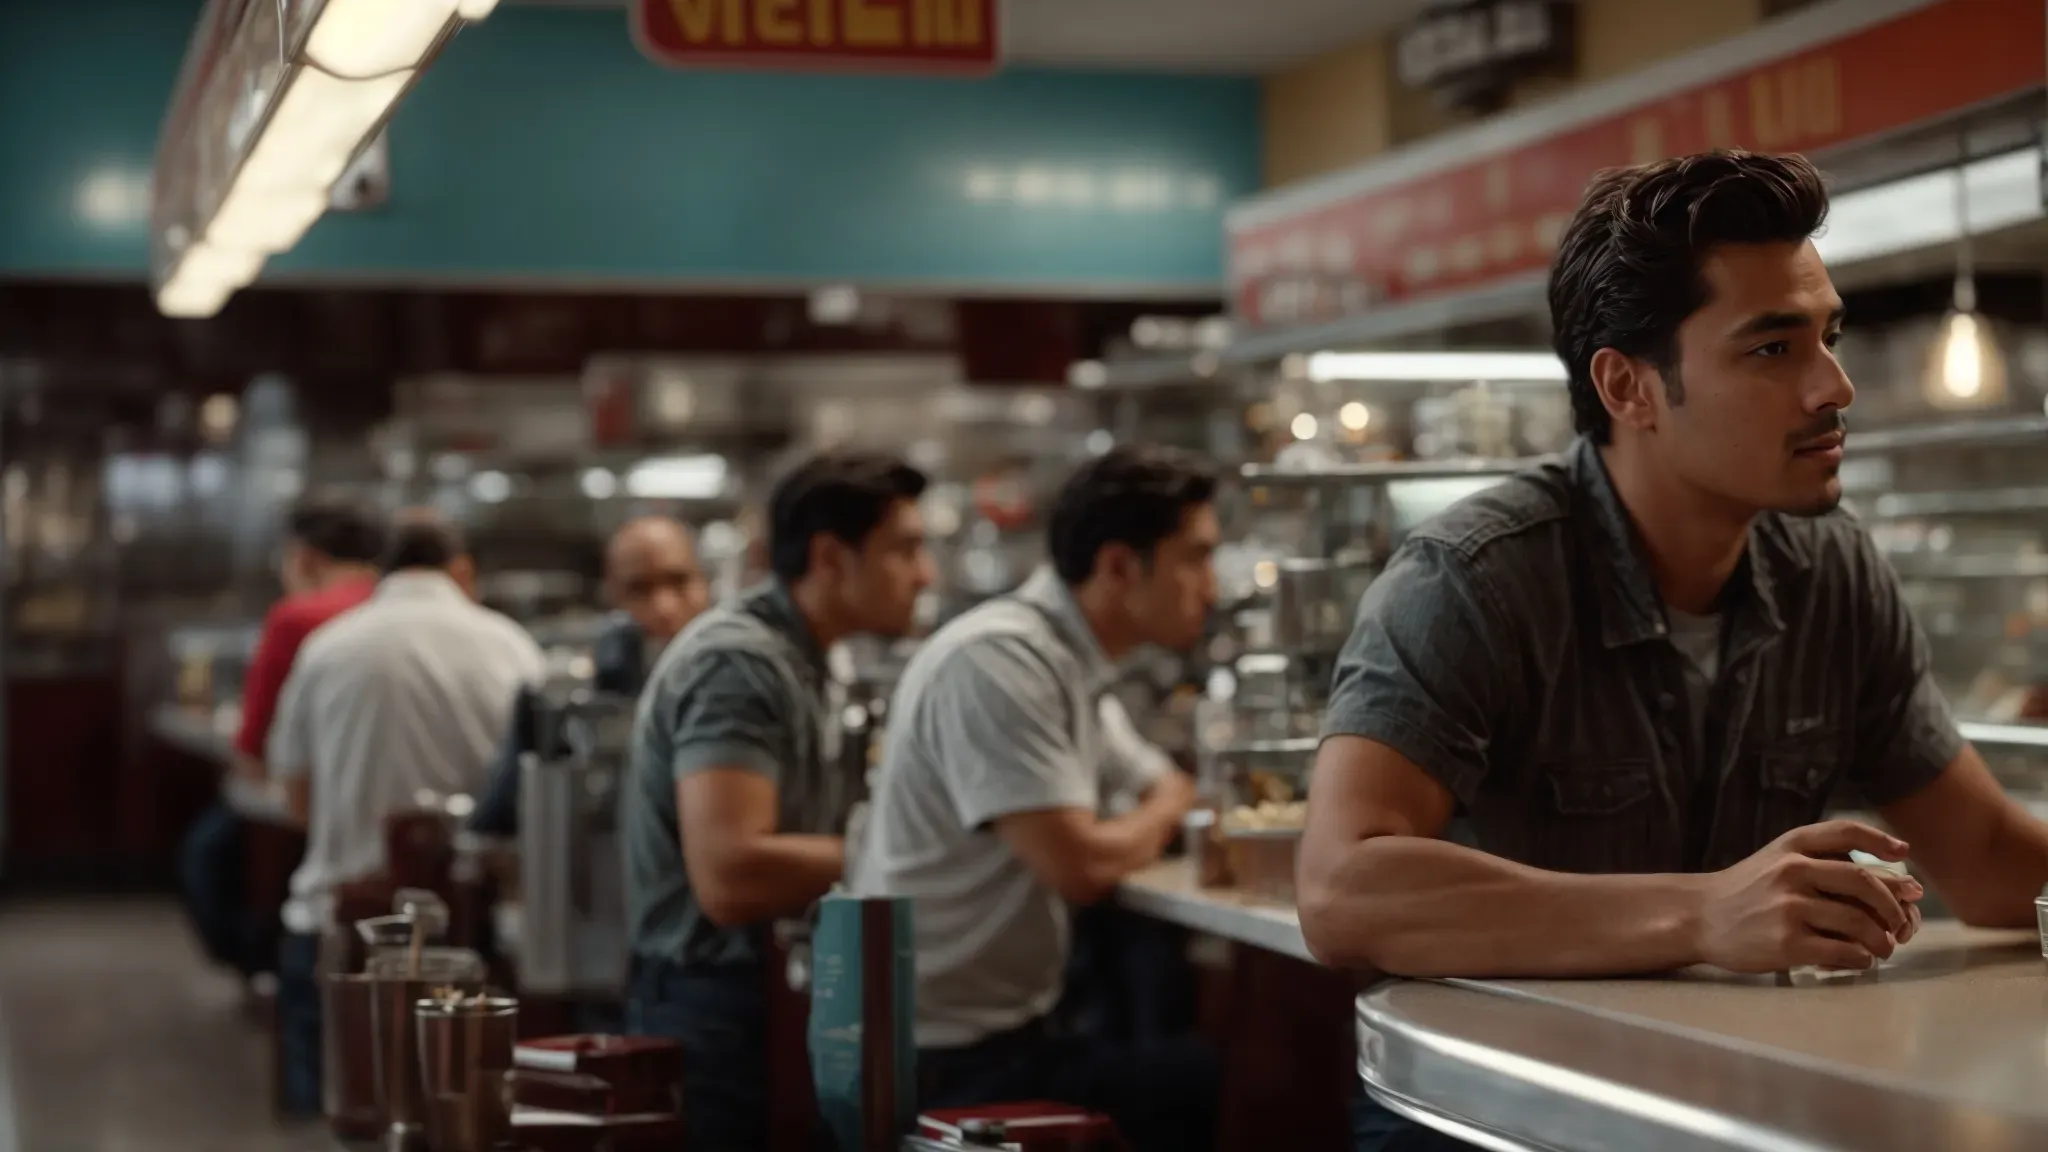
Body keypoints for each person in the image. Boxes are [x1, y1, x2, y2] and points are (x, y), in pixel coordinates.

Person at [1295, 150, 2048, 1152]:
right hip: (1488, 1118)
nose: (1834, 386)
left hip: (1726, 1108)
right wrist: (1702, 915)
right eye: (1770, 350)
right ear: (1628, 387)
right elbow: (1341, 893)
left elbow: (1990, 860)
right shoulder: (1473, 577)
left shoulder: (1829, 569)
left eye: (1825, 336)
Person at [851, 444, 1216, 1152]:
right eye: (1194, 559)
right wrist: (1162, 811)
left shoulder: (1065, 661)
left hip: (1004, 1032)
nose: (1213, 587)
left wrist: (1157, 806)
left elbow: (1160, 783)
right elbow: (1080, 865)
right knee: (1201, 1083)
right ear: (1117, 566)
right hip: (941, 1057)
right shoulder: (1003, 661)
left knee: (1183, 1066)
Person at [620, 450, 933, 1151]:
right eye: (905, 549)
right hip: (713, 1010)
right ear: (829, 557)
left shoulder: (814, 655)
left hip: (761, 994)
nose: (925, 574)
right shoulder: (740, 662)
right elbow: (731, 875)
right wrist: (899, 850)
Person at [266, 510, 545, 1115]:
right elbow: (535, 796)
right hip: (474, 936)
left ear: (380, 574)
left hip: (342, 934)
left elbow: (293, 797)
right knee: (464, 1125)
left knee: (334, 1124)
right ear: (462, 571)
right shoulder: (513, 648)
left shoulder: (328, 648)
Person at [177, 493, 385, 984]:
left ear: (305, 558)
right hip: (404, 827)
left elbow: (253, 748)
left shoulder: (297, 617)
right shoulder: (390, 605)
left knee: (204, 856)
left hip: (319, 823)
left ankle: (263, 974)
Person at [469, 515, 709, 838]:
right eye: (639, 588)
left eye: (678, 581)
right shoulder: (560, 702)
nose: (663, 606)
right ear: (612, 593)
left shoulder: (739, 686)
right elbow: (494, 821)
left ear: (704, 582)